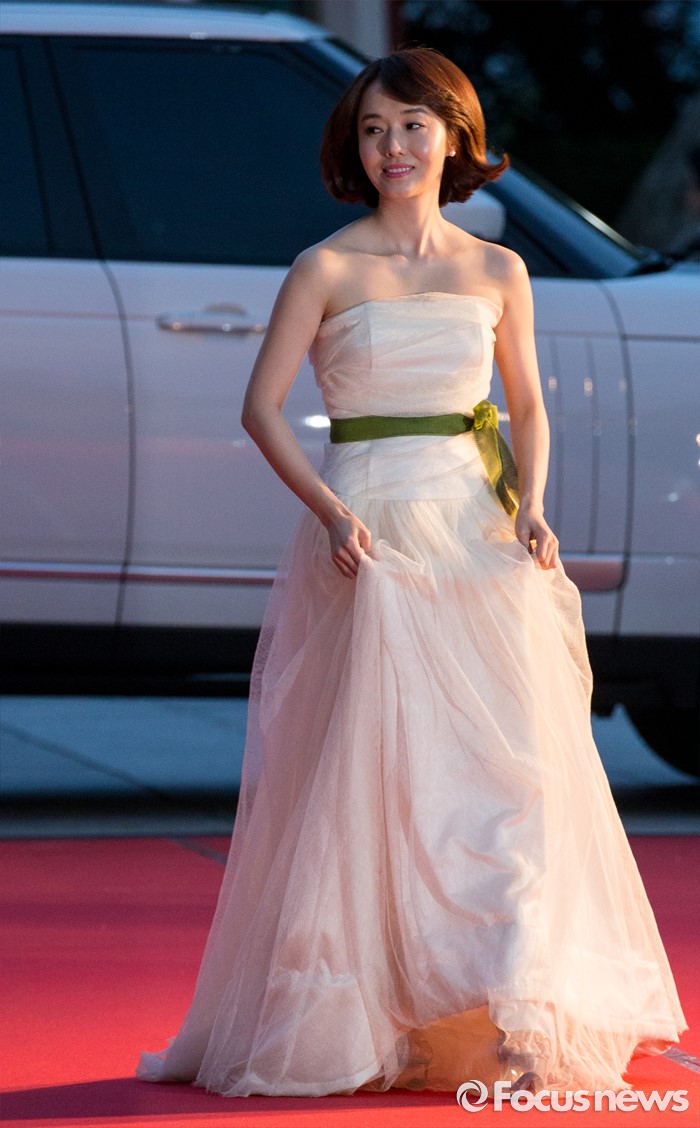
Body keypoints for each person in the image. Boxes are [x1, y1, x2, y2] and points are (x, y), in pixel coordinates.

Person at [137, 47, 686, 1099]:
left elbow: (527, 406)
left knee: (514, 773)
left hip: (479, 539)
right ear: (354, 147)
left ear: (454, 137)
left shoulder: (498, 270)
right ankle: (377, 1010)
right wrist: (332, 511)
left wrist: (531, 505)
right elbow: (259, 410)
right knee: (381, 783)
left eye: (412, 126)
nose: (392, 146)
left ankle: (514, 1003)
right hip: (374, 540)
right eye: (373, 129)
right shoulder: (324, 268)